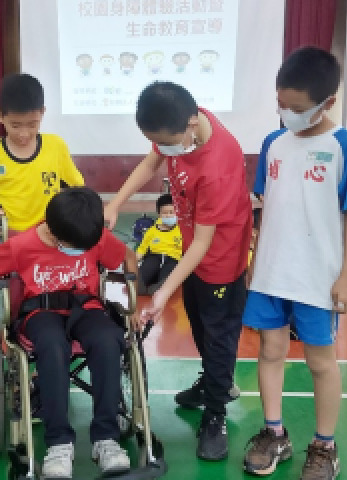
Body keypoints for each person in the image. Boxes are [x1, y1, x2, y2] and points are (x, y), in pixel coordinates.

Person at [104, 81, 252, 461]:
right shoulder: (180, 125)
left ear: (190, 124)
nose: (162, 149)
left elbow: (204, 244)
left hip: (220, 258)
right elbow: (150, 163)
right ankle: (213, 381)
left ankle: (216, 413)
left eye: (165, 142)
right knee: (199, 323)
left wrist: (161, 293)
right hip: (192, 248)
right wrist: (115, 203)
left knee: (218, 336)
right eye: (155, 141)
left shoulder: (218, 164)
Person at [241, 47, 347, 480]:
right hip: (271, 271)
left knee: (320, 362)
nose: (286, 114)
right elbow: (264, 205)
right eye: (280, 103)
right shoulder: (273, 143)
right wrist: (254, 260)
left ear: (327, 102)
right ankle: (274, 433)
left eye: (296, 108)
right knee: (270, 351)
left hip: (318, 277)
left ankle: (324, 445)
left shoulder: (345, 145)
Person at [0, 187, 138, 479]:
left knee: (108, 339)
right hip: (41, 312)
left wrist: (132, 305)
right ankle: (59, 443)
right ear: (52, 230)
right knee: (52, 345)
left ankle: (106, 439)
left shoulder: (92, 235)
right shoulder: (23, 245)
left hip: (86, 306)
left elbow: (128, 257)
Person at [0, 73, 84, 236]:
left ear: (42, 112)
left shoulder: (56, 146)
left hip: (48, 236)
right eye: (15, 126)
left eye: (32, 125)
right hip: (10, 236)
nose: (24, 134)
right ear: (0, 115)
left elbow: (76, 186)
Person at [136, 194, 181, 295]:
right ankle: (141, 285)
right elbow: (142, 249)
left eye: (171, 212)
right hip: (154, 257)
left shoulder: (181, 229)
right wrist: (132, 262)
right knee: (142, 276)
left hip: (172, 259)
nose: (168, 215)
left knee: (167, 277)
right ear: (159, 213)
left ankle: (160, 288)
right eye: (164, 213)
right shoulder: (152, 231)